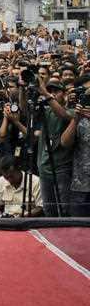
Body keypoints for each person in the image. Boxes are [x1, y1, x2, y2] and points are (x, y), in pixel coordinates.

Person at [35, 80, 74, 217]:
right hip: (44, 168)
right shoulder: (46, 111)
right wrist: (22, 89)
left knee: (64, 211)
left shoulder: (73, 110)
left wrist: (45, 93)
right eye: (50, 91)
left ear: (65, 94)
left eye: (56, 91)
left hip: (62, 168)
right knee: (49, 211)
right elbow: (23, 110)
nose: (52, 94)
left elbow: (64, 116)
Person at [59, 77, 90, 216]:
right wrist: (76, 117)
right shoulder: (75, 115)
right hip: (81, 185)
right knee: (78, 232)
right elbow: (65, 142)